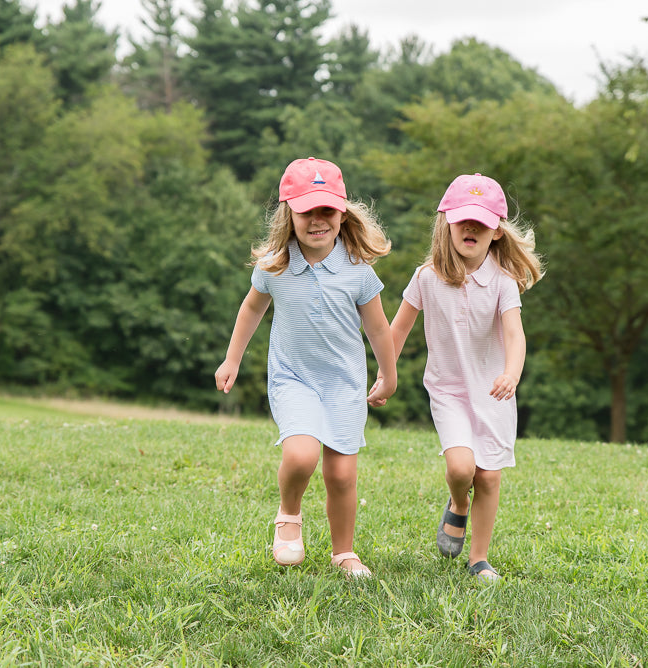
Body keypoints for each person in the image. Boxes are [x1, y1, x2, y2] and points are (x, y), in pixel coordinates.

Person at [215, 157, 397, 578]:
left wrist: (388, 374)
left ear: (342, 212)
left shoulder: (358, 270)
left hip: (344, 385)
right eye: (306, 211)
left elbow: (379, 327)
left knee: (341, 473)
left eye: (327, 210)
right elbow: (251, 310)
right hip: (293, 378)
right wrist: (232, 358)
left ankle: (343, 553)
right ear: (288, 214)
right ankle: (289, 516)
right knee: (301, 455)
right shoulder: (275, 265)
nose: (318, 220)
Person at [369, 173, 543, 582]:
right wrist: (384, 376)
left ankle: (478, 558)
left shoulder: (503, 282)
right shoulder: (426, 277)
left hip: (494, 392)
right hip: (448, 389)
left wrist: (511, 373)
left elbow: (515, 333)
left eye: (481, 222)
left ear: (497, 231)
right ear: (446, 222)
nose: (471, 228)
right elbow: (396, 331)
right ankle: (457, 505)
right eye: (463, 219)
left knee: (490, 475)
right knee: (463, 468)